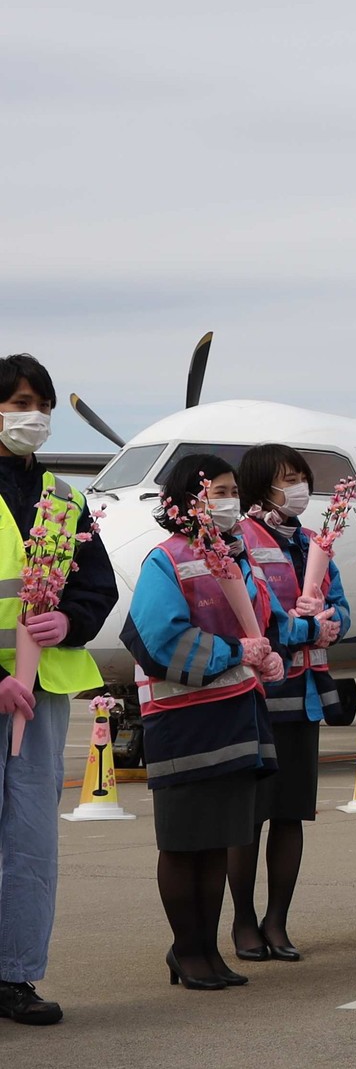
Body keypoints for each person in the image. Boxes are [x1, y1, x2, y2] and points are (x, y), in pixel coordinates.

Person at [122, 453, 286, 991]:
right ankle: (186, 951)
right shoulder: (164, 560)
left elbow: (264, 623)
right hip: (182, 721)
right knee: (183, 842)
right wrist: (238, 650)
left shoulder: (235, 558)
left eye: (232, 489)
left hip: (236, 714)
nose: (229, 498)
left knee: (216, 841)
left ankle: (207, 950)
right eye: (218, 489)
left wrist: (275, 647)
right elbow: (156, 639)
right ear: (190, 499)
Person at [0, 356, 115, 1024]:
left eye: (41, 402)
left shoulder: (66, 497)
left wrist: (71, 618)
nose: (33, 415)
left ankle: (15, 974)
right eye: (19, 401)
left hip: (40, 695)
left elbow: (98, 584)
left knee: (34, 838)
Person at [225, 444, 351, 963]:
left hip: (302, 698)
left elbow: (338, 602)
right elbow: (260, 613)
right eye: (287, 478)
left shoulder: (312, 542)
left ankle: (278, 920)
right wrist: (306, 627)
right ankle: (243, 922)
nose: (298, 487)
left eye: (302, 477)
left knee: (291, 814)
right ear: (261, 487)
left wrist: (332, 623)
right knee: (248, 817)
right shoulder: (241, 541)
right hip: (256, 696)